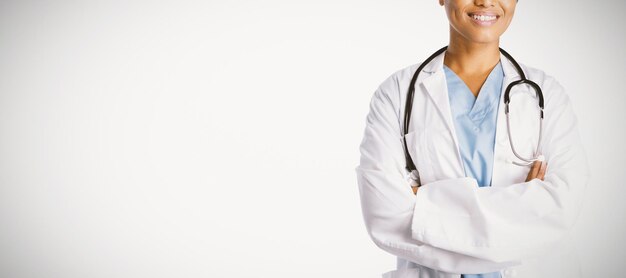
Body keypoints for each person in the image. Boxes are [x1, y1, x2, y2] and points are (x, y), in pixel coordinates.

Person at [355, 0, 589, 277]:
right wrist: (520, 215)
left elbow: (560, 209)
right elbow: (386, 218)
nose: (486, 1)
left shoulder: (547, 94)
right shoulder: (396, 93)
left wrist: (427, 205)